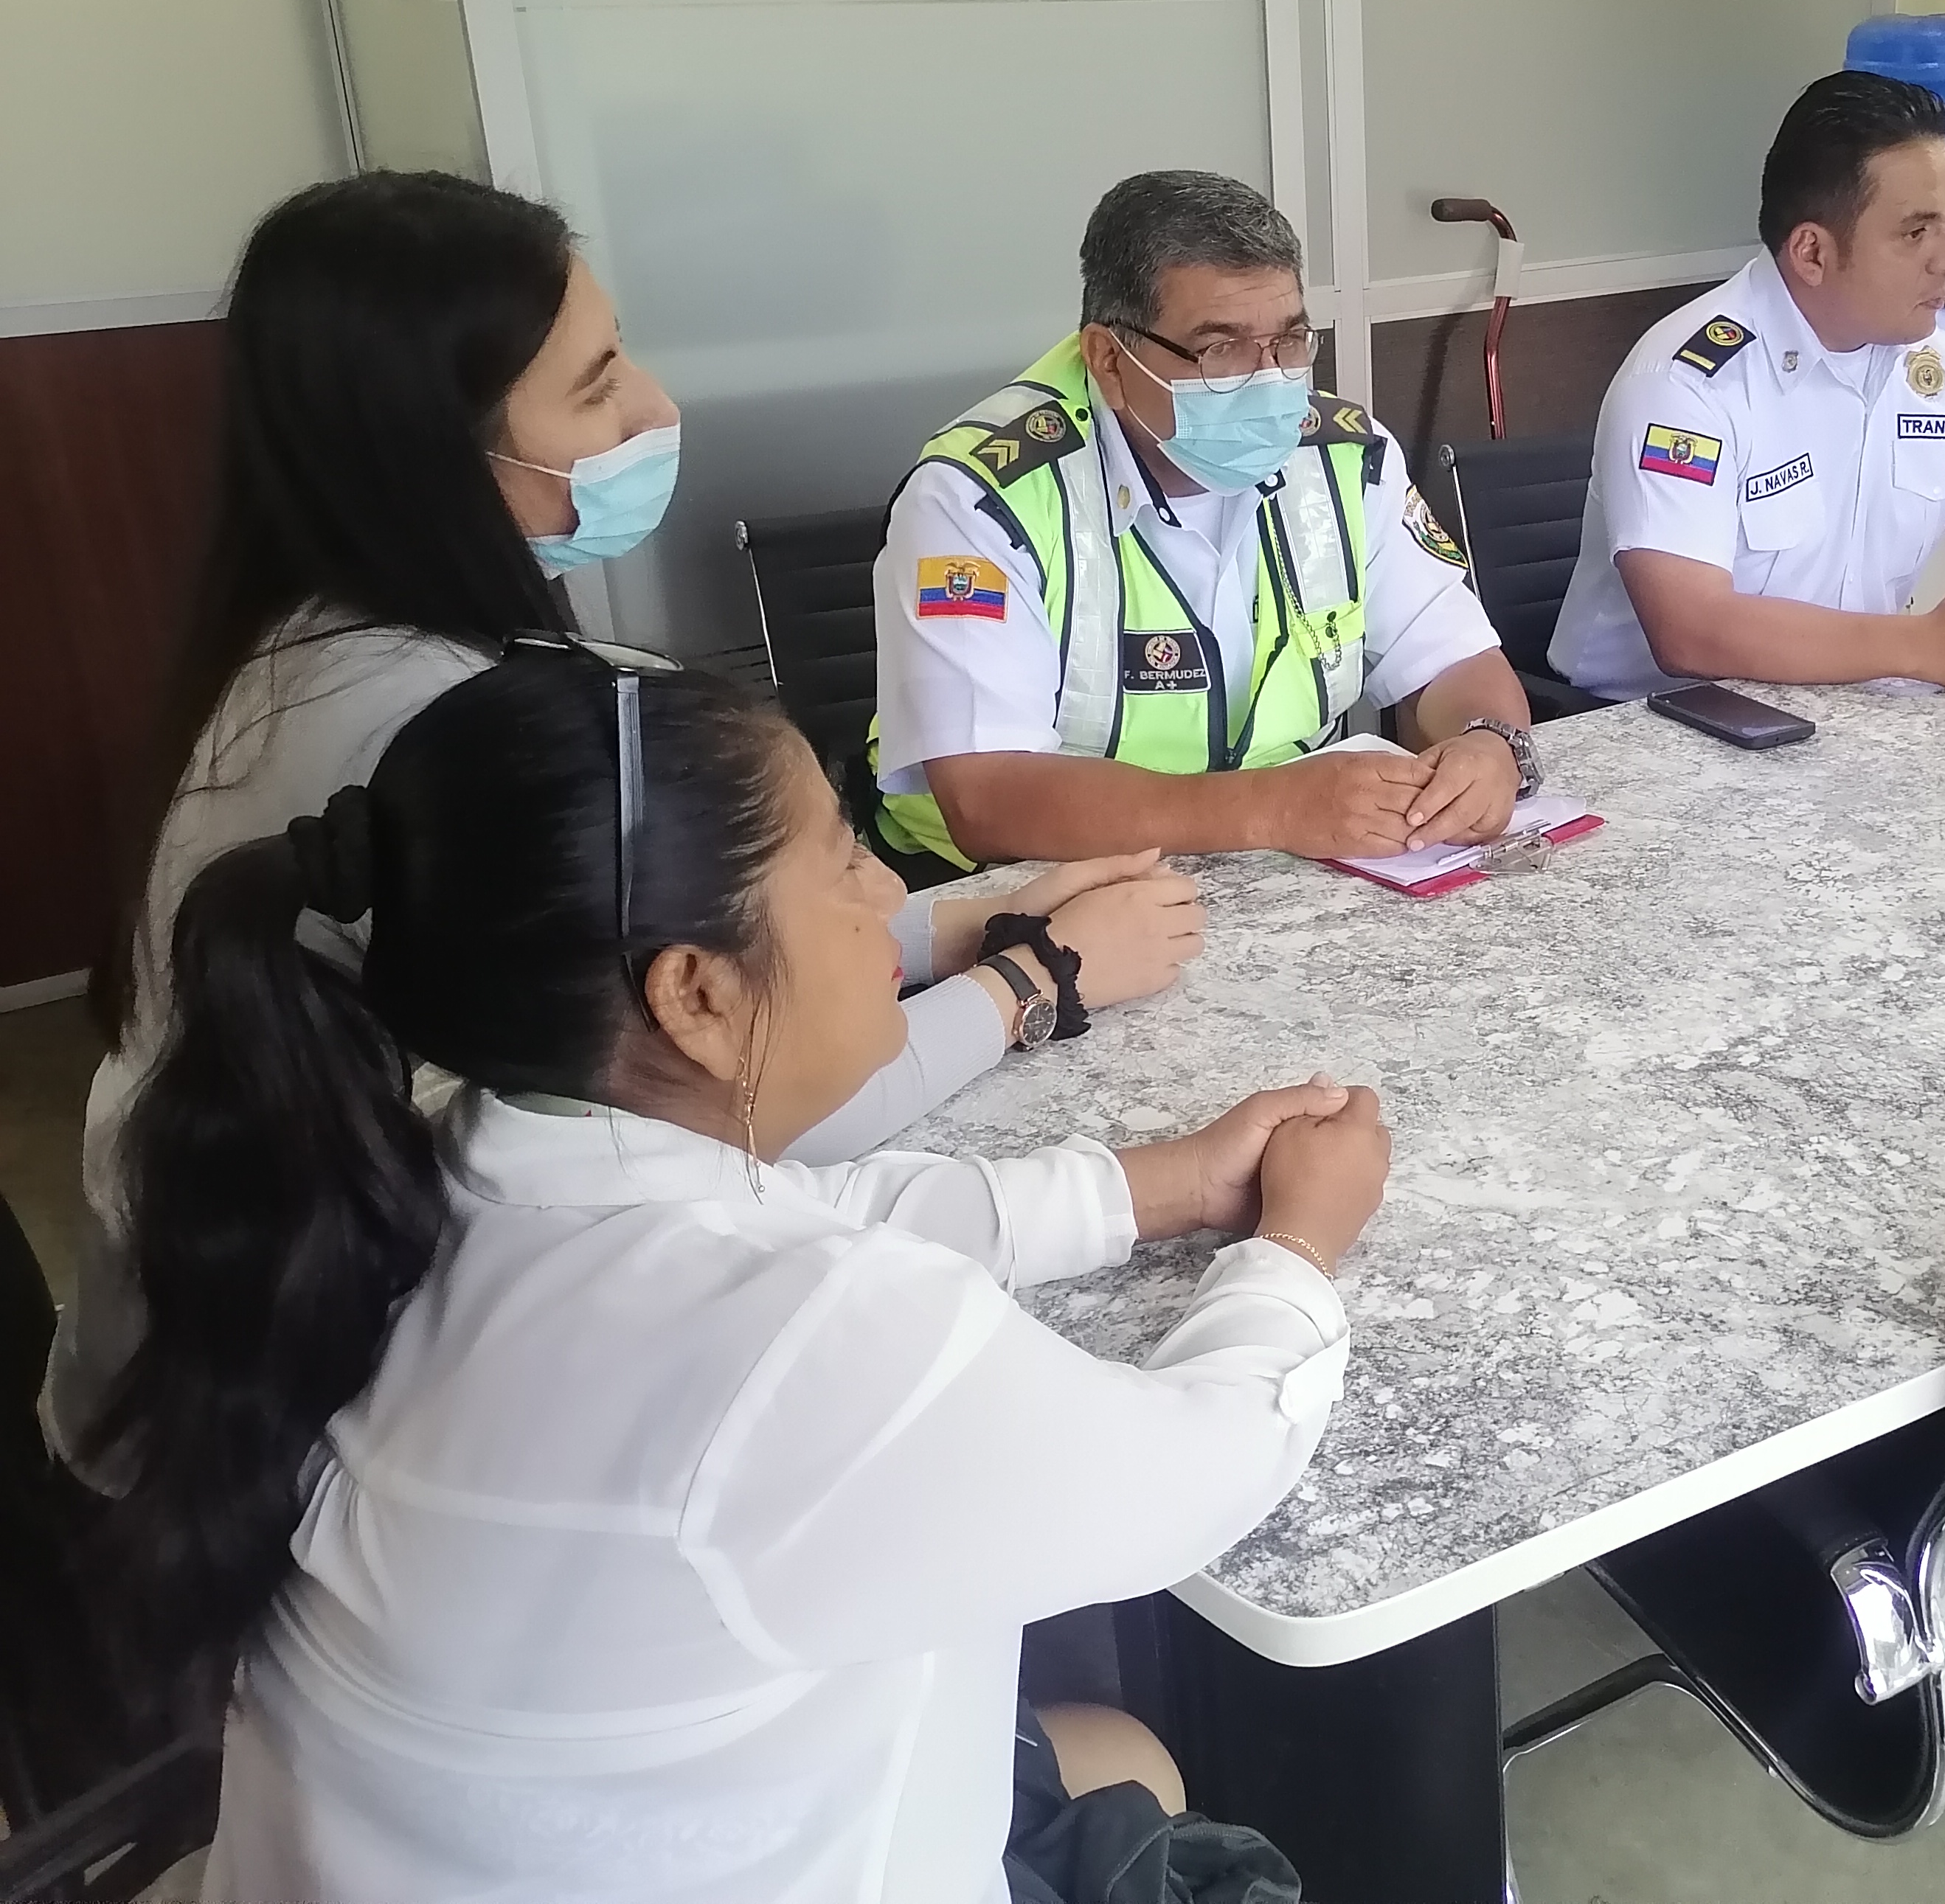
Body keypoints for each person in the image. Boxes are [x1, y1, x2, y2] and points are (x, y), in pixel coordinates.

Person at [87, 647, 1388, 1902]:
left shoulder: (426, 1178)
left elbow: (817, 1209)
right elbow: (1202, 1468)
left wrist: (1163, 1186)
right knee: (1162, 1793)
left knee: (1112, 1755)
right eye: (843, 858)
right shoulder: (801, 1346)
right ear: (695, 996)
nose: (889, 894)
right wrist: (1299, 1245)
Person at [44, 172, 1202, 1470]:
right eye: (596, 385)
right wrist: (1037, 979)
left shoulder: (317, 647)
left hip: (197, 1370)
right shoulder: (451, 727)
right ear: (437, 445)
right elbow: (739, 1107)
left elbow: (658, 988)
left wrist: (953, 929)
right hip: (282, 1450)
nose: (656, 408)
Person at [870, 170, 1539, 870]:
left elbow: (1455, 658)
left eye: (1290, 340)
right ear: (1109, 359)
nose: (1270, 378)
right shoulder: (978, 496)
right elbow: (986, 800)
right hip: (1019, 887)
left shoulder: (1344, 457)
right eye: (1222, 348)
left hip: (1284, 867)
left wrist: (1490, 744)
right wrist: (1276, 808)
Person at [1546, 70, 1945, 701]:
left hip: (1856, 707)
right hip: (1656, 723)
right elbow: (1691, 630)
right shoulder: (1687, 383)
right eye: (1917, 231)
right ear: (1812, 253)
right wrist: (1928, 646)